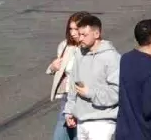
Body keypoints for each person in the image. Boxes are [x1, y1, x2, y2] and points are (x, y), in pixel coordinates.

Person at [67, 14, 122, 140]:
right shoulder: (79, 55)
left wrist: (90, 93)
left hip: (102, 123)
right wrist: (69, 111)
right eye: (79, 34)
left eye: (84, 35)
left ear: (96, 34)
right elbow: (72, 85)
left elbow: (117, 92)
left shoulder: (112, 57)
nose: (80, 38)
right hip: (81, 121)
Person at [49, 12, 90, 140]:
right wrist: (53, 67)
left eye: (76, 29)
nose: (72, 33)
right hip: (67, 99)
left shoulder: (91, 48)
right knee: (59, 137)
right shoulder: (64, 45)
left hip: (83, 101)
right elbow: (59, 69)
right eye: (70, 29)